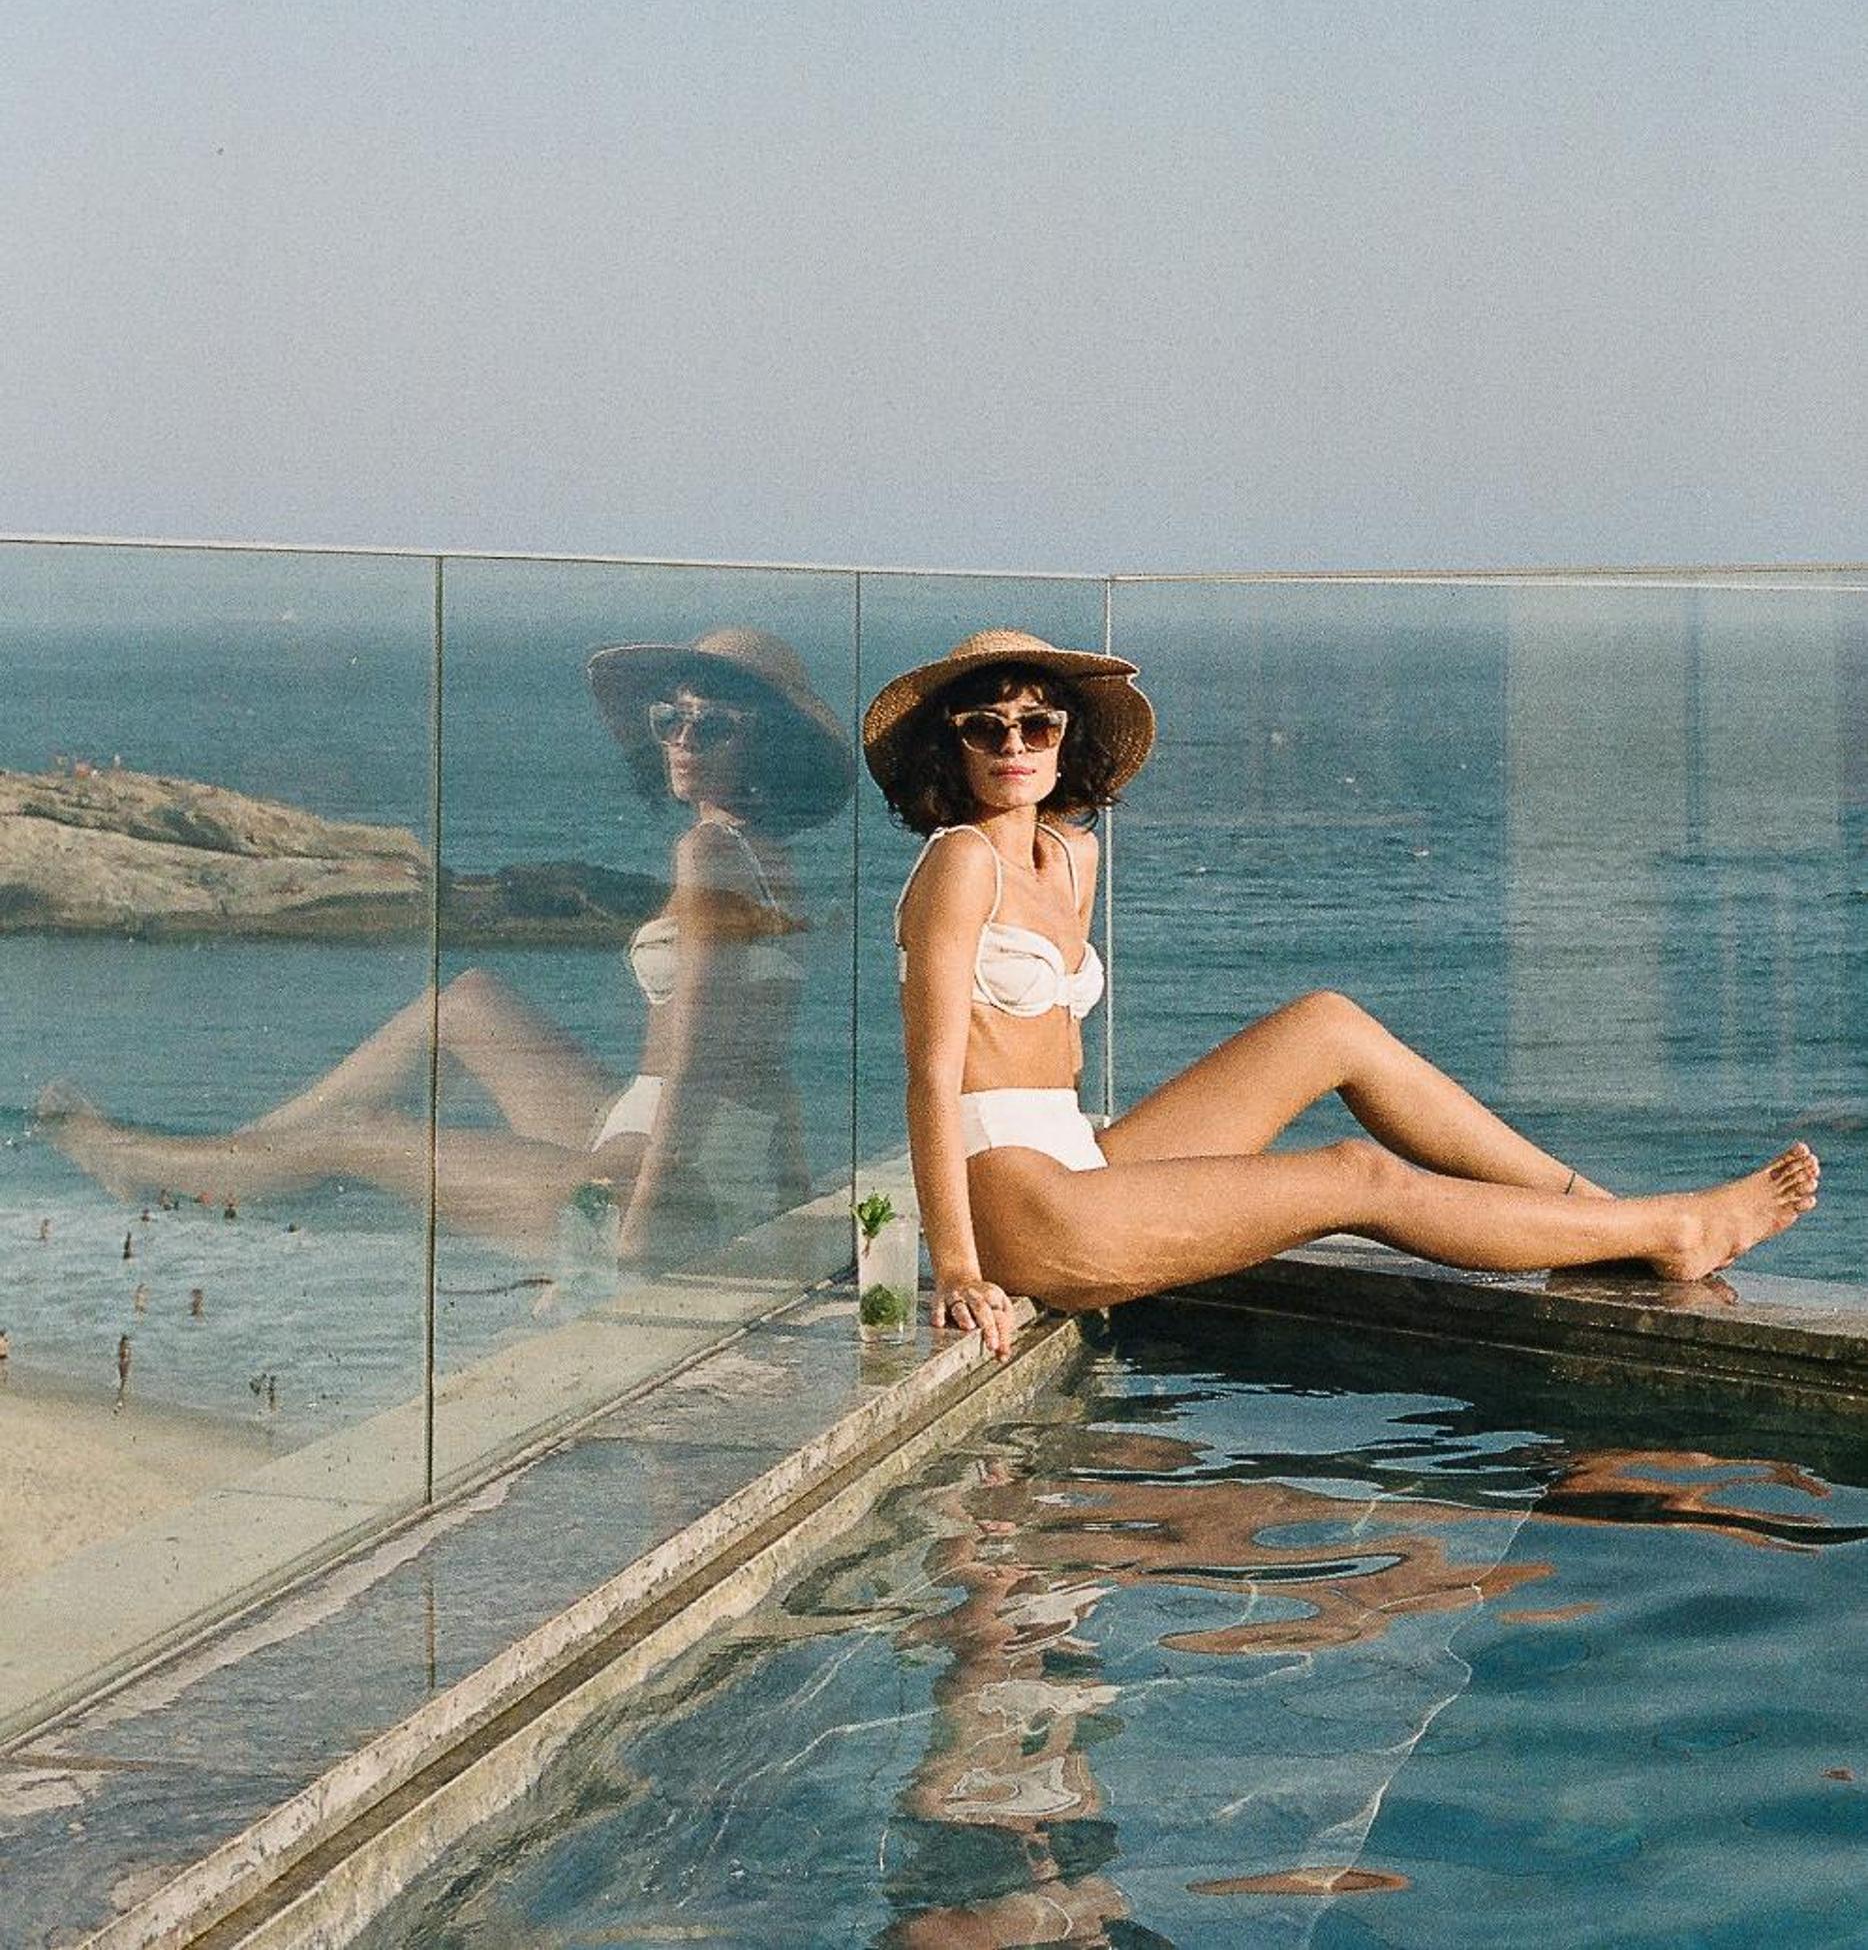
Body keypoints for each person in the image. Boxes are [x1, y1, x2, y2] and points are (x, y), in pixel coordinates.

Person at [865, 630, 1821, 1361]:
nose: (1014, 744)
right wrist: (959, 1266)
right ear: (954, 750)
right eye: (985, 728)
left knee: (1327, 1024)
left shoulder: (1071, 855)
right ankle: (1671, 1228)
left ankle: (1596, 1214)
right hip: (1017, 1205)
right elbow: (932, 1079)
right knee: (1355, 1176)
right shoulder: (960, 865)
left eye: (1037, 724)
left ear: (1065, 738)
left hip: (1076, 1159)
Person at [41, 629, 854, 1267]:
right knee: (466, 1001)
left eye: (712, 725)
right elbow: (766, 1062)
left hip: (648, 1186)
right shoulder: (765, 860)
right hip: (671, 1148)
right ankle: (237, 1156)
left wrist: (640, 1239)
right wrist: (789, 1191)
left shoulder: (707, 856)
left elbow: (701, 1063)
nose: (683, 740)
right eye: (671, 719)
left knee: (352, 1132)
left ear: (767, 745)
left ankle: (154, 1162)